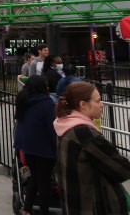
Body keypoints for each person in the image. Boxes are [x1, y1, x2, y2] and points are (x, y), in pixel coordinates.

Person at [54, 82, 130, 214]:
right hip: (93, 207)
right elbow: (123, 170)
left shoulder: (66, 125)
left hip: (76, 205)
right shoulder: (84, 133)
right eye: (98, 101)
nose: (102, 105)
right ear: (83, 104)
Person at [13, 75, 57, 215]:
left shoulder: (23, 101)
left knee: (34, 179)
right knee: (44, 182)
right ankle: (43, 211)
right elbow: (52, 128)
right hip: (44, 148)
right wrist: (56, 146)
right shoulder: (47, 103)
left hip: (27, 148)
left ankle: (27, 210)